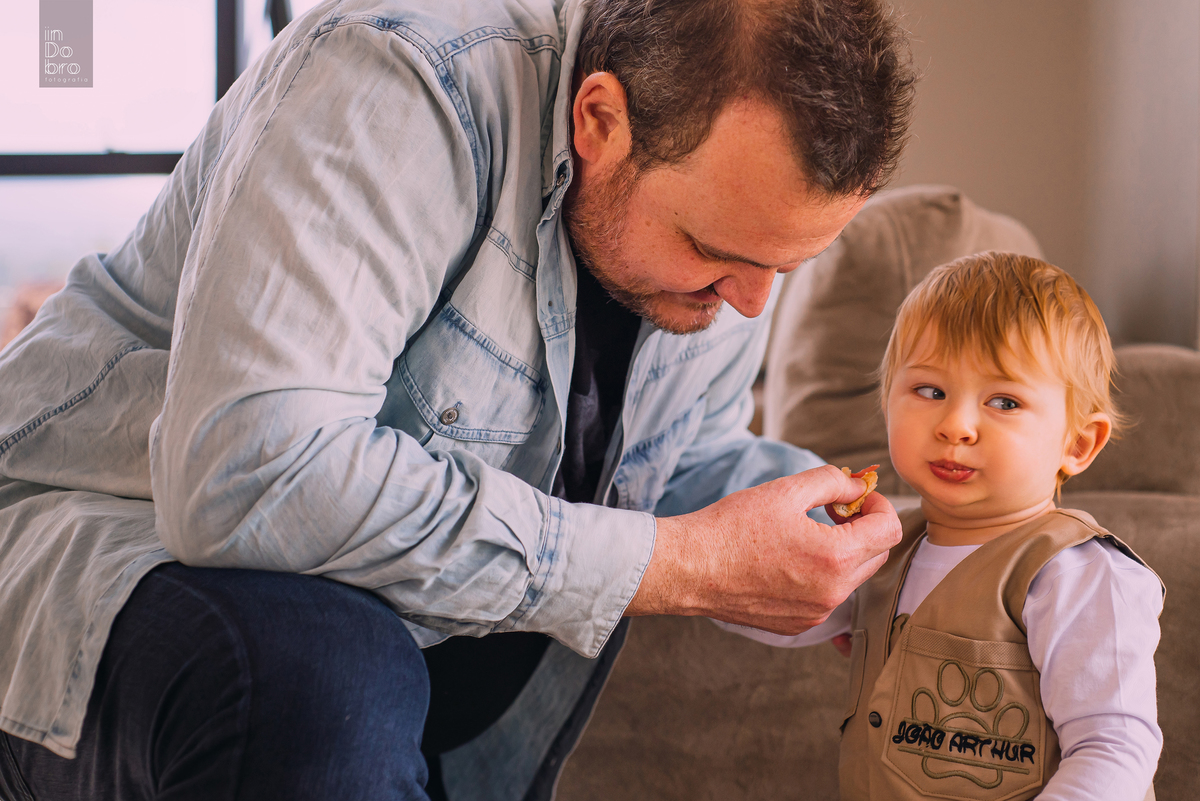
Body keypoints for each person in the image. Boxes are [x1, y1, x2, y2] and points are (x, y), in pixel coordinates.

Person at [0, 0, 915, 798]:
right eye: (721, 249)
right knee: (330, 671)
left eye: (787, 263)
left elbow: (680, 457)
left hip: (419, 697)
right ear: (601, 120)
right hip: (93, 566)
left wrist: (872, 549)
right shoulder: (397, 80)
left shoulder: (724, 238)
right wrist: (676, 563)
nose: (753, 303)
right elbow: (251, 474)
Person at [718, 252, 1164, 800]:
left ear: (1077, 443)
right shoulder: (885, 545)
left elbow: (1115, 749)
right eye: (929, 392)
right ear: (887, 402)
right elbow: (777, 610)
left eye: (1004, 401)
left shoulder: (1077, 573)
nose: (956, 425)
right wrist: (711, 573)